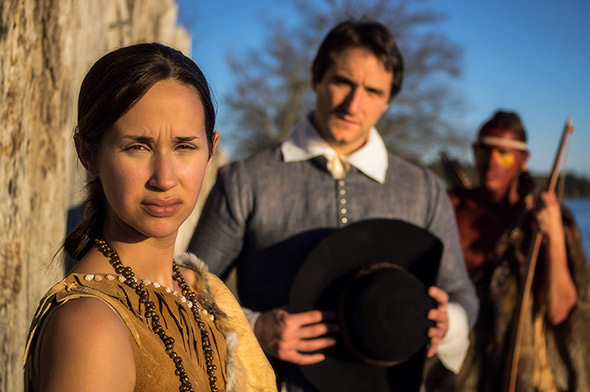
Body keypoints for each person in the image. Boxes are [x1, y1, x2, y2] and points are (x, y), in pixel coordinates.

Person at [188, 20, 478, 391]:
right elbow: (188, 289)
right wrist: (255, 327)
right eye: (343, 82)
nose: (353, 104)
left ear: (388, 100)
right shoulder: (246, 180)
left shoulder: (425, 190)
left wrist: (447, 321)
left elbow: (462, 295)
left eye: (373, 91)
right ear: (316, 79)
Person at [23, 43, 277, 392]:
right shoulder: (92, 324)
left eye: (184, 146)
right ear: (88, 153)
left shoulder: (201, 293)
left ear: (211, 151)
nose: (164, 178)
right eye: (137, 147)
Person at [433, 110, 590, 391]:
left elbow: (559, 310)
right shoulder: (449, 207)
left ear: (523, 159)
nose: (491, 163)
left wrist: (553, 236)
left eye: (503, 154)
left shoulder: (540, 218)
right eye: (484, 152)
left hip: (522, 374)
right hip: (454, 373)